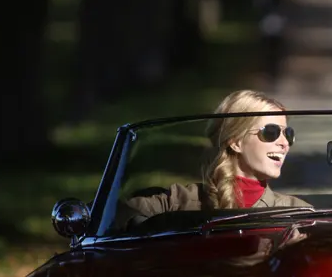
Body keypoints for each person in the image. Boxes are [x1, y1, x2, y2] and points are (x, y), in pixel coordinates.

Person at [120, 90, 311, 227]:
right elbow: (113, 217)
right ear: (235, 142)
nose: (285, 143)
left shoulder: (299, 213)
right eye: (272, 132)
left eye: (288, 133)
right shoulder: (178, 201)